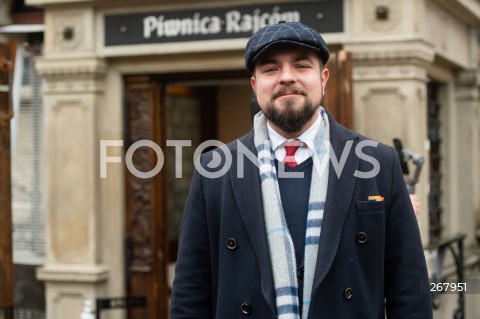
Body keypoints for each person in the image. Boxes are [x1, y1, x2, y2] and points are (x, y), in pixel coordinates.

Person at [170, 21, 432, 318]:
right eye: (270, 69)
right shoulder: (214, 169)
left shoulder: (378, 163)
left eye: (301, 66)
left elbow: (409, 287)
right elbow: (190, 291)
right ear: (255, 85)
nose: (286, 78)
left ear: (323, 78)